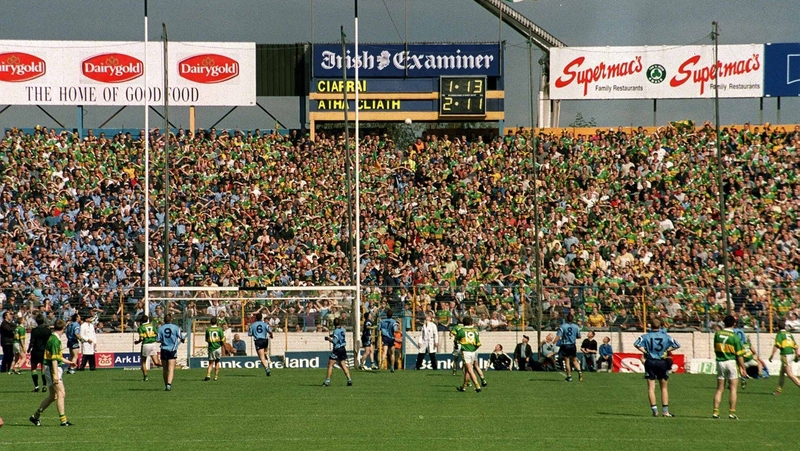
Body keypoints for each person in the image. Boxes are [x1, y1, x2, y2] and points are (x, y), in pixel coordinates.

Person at [29, 319, 74, 427]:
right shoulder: (54, 340)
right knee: (61, 394)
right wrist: (55, 375)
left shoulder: (54, 338)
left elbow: (57, 356)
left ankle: (35, 417)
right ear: (63, 328)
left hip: (51, 369)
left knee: (53, 396)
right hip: (53, 369)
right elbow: (54, 359)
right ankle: (63, 420)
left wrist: (68, 362)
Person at [633, 319, 681, 417]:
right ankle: (665, 411)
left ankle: (655, 410)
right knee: (664, 388)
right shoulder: (666, 337)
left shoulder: (646, 336)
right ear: (660, 326)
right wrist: (667, 349)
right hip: (661, 361)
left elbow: (636, 343)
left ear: (650, 326)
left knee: (651, 388)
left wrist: (645, 351)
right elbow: (677, 345)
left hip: (650, 361)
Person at [712, 315, 747, 419]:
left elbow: (715, 348)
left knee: (719, 389)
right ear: (734, 324)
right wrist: (743, 368)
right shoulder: (735, 337)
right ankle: (731, 413)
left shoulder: (717, 334)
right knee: (733, 389)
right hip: (731, 362)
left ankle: (715, 412)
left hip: (720, 362)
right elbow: (739, 355)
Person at [769, 320, 800, 395]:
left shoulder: (779, 334)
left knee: (789, 374)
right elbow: (796, 346)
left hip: (785, 355)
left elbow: (776, 345)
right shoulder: (789, 334)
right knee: (782, 372)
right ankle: (778, 390)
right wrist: (797, 355)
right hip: (790, 354)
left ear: (778, 327)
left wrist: (772, 356)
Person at [157, 314, 186, 392]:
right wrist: (182, 340)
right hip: (172, 350)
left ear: (164, 320)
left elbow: (158, 339)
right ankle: (169, 385)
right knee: (171, 369)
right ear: (171, 319)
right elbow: (182, 337)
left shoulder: (160, 328)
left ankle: (166, 383)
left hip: (163, 349)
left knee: (165, 369)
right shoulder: (176, 328)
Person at [455, 316, 483, 393]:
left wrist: (457, 346)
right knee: (467, 370)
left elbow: (456, 340)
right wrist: (473, 349)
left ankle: (477, 386)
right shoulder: (475, 330)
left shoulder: (461, 330)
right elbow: (478, 343)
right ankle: (463, 387)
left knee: (470, 370)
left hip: (466, 352)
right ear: (471, 322)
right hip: (473, 351)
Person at [323, 318, 352, 387]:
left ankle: (327, 381)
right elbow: (339, 337)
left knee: (330, 365)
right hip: (343, 348)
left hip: (337, 349)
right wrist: (332, 336)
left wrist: (329, 339)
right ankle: (349, 380)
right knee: (343, 365)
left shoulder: (336, 331)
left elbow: (335, 341)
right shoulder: (343, 329)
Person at [134, 314, 161, 382]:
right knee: (156, 362)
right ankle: (167, 366)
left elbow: (142, 338)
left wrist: (137, 342)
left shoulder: (141, 327)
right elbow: (157, 334)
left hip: (146, 345)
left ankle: (145, 377)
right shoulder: (152, 326)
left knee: (143, 362)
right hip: (153, 344)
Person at [28, 314, 51, 392]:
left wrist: (28, 349)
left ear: (36, 321)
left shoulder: (34, 330)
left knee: (34, 368)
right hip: (44, 352)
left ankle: (36, 386)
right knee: (43, 369)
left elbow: (32, 342)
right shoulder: (48, 330)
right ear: (43, 321)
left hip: (35, 351)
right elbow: (49, 342)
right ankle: (44, 386)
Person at [557, 313, 583, 382]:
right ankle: (580, 372)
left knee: (567, 361)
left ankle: (569, 376)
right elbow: (579, 336)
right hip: (573, 345)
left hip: (566, 345)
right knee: (574, 360)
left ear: (566, 319)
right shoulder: (576, 326)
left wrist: (553, 343)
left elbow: (559, 335)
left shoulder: (563, 326)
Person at [247, 312, 273, 377]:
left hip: (258, 340)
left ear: (256, 318)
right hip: (265, 340)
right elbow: (270, 330)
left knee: (261, 357)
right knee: (265, 351)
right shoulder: (265, 324)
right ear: (262, 318)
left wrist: (254, 333)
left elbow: (250, 334)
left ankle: (267, 369)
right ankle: (267, 355)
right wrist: (271, 335)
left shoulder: (252, 325)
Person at [204, 317, 225, 381]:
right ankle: (216, 376)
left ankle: (208, 375)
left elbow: (206, 339)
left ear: (210, 322)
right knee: (217, 362)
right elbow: (222, 339)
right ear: (217, 322)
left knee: (210, 363)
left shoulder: (208, 329)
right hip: (218, 347)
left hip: (211, 348)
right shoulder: (219, 329)